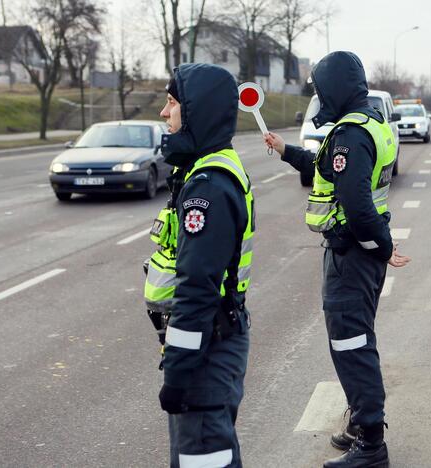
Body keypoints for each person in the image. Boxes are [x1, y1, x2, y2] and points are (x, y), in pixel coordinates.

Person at [265, 51, 410, 468]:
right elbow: (327, 168)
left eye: (321, 87)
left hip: (352, 255)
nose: (318, 95)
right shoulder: (370, 125)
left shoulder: (349, 135)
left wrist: (384, 248)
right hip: (359, 254)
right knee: (356, 341)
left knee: (352, 343)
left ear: (335, 88)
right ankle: (358, 423)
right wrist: (286, 150)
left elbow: (359, 208)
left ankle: (370, 444)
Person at [144, 63, 255, 468]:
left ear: (196, 112)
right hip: (211, 345)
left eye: (171, 103)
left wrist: (178, 373)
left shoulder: (208, 187)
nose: (163, 113)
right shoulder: (206, 171)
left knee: (204, 460)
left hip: (206, 353)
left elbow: (196, 291)